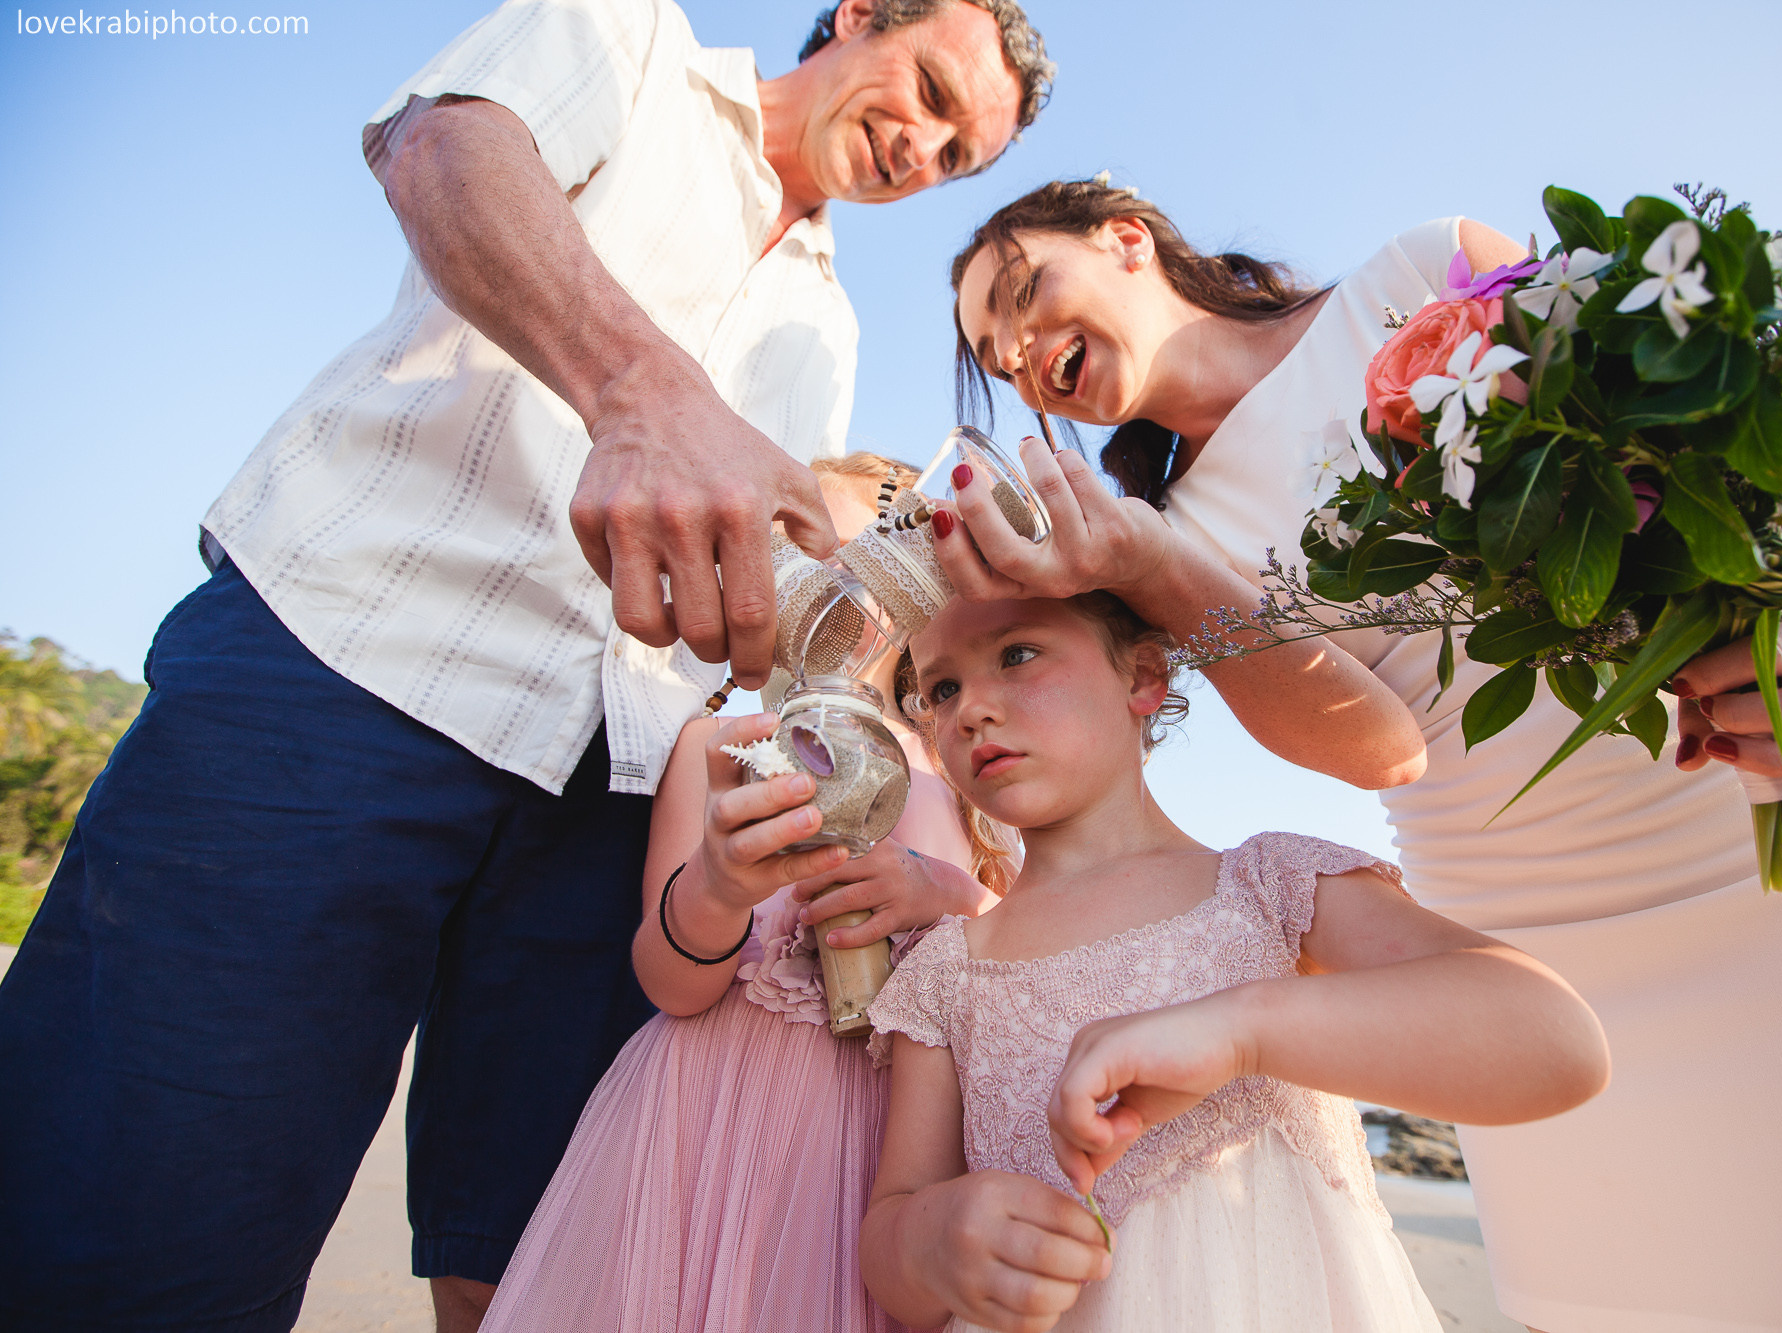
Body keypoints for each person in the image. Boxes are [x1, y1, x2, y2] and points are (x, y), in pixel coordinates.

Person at [0, 4, 1054, 1330]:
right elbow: (439, 152)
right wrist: (640, 387)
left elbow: (751, 592)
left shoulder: (826, 329)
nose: (929, 147)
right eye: (932, 91)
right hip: (354, 672)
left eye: (962, 153)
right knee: (147, 1219)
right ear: (859, 17)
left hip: (607, 797)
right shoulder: (627, 40)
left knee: (537, 1267)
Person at [933, 177, 1782, 1331]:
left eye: (1025, 293)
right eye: (996, 356)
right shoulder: (1155, 547)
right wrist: (1148, 567)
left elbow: (1673, 479)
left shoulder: (1416, 274)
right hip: (1523, 942)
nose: (1023, 351)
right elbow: (1379, 750)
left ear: (1126, 235)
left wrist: (1778, 624)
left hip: (1762, 824)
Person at [856, 589, 1611, 1332]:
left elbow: (1560, 1041)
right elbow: (890, 1234)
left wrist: (1241, 1031)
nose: (970, 709)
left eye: (1017, 654)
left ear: (1144, 675)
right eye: (941, 688)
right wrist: (933, 1238)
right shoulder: (946, 971)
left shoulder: (1268, 887)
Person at [481, 454, 1011, 1332]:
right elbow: (672, 983)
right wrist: (720, 886)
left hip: (897, 1142)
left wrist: (943, 890)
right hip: (710, 1120)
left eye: (873, 560)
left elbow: (1033, 944)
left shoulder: (958, 762)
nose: (842, 592)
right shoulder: (718, 749)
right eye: (810, 560)